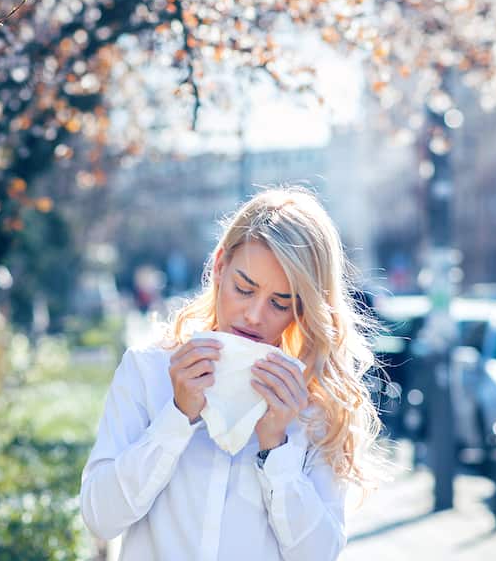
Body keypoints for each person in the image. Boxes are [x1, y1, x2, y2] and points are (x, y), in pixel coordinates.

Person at [80, 186, 386, 561]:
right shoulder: (148, 371)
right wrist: (176, 417)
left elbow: (319, 555)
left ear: (302, 310)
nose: (255, 315)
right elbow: (100, 518)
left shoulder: (312, 406)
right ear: (221, 267)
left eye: (279, 303)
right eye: (245, 289)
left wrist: (276, 447)